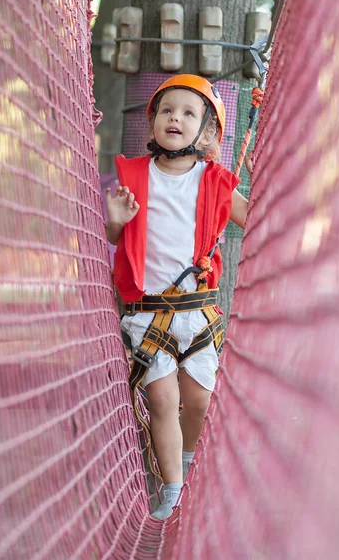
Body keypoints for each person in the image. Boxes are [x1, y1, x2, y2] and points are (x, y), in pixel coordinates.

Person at [105, 74, 250, 520]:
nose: (176, 118)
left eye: (189, 113)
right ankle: (170, 488)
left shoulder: (216, 182)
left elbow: (257, 219)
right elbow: (114, 237)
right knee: (163, 399)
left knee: (200, 400)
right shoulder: (132, 177)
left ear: (206, 132)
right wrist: (114, 221)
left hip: (197, 313)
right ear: (152, 124)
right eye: (167, 110)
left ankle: (185, 463)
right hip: (149, 314)